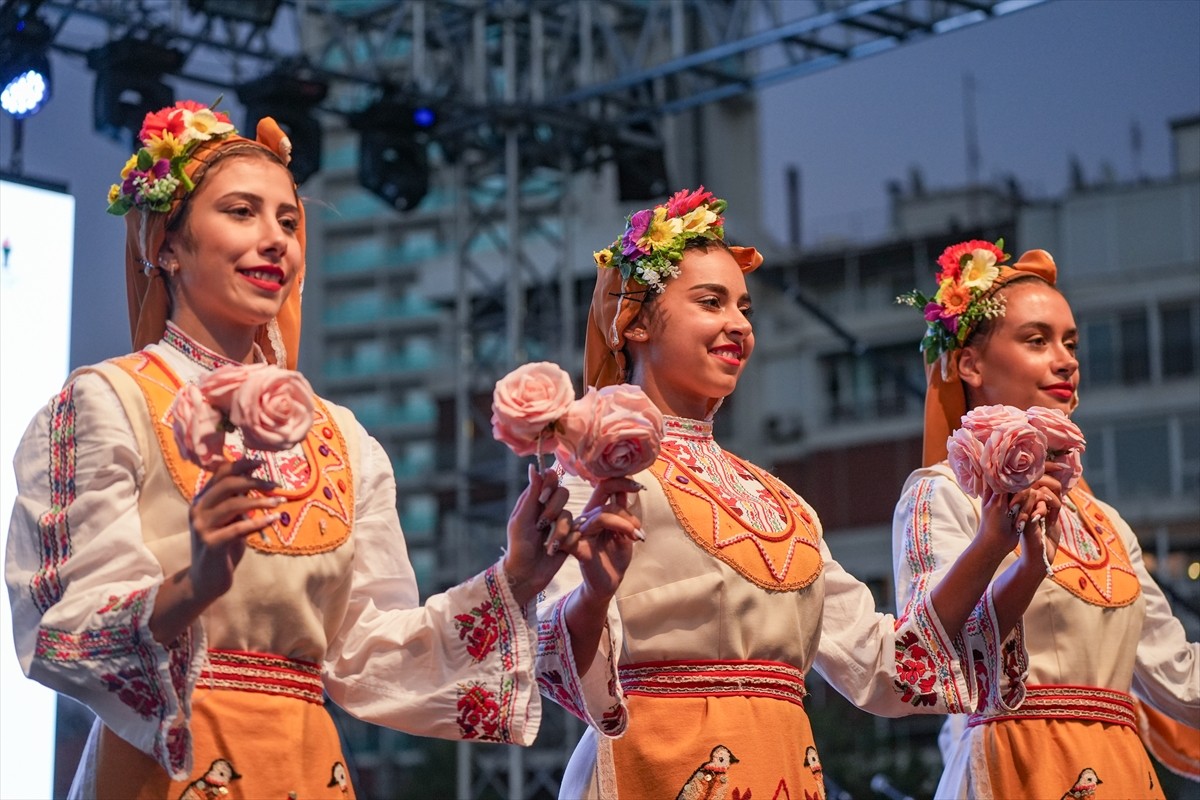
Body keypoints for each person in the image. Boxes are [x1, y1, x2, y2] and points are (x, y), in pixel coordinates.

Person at [3, 99, 621, 799]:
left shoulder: (341, 437)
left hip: (305, 766)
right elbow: (65, 624)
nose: (275, 240)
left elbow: (365, 652)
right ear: (164, 245)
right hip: (166, 761)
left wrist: (517, 577)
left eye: (289, 222)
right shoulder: (106, 403)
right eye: (241, 212)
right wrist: (194, 585)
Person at [533, 189, 1061, 799]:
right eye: (711, 302)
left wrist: (993, 545)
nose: (738, 324)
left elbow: (888, 668)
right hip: (655, 772)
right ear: (636, 320)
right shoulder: (594, 477)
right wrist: (596, 591)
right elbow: (552, 653)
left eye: (745, 308)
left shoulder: (784, 506)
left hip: (785, 768)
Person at [892, 241, 1200, 798]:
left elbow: (1178, 678)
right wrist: (1012, 557)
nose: (1067, 359)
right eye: (1037, 341)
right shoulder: (943, 494)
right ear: (969, 363)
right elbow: (931, 651)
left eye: (1071, 342)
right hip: (1015, 767)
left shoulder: (1106, 522)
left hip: (1120, 773)